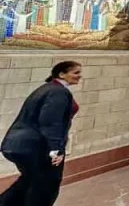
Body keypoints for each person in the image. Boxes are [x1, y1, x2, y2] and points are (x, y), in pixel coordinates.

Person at [0, 61, 83, 206]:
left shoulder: (48, 89)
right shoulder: (58, 92)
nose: (79, 76)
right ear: (62, 74)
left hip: (18, 145)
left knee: (30, 181)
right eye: (75, 73)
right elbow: (50, 122)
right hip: (38, 148)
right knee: (46, 186)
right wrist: (55, 149)